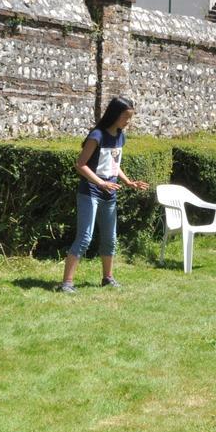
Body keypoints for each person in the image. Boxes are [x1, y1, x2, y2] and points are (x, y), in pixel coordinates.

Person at [57, 97, 148, 293]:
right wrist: (100, 183)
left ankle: (107, 278)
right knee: (85, 237)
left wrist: (128, 182)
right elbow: (80, 164)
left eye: (130, 117)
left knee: (110, 238)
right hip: (90, 192)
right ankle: (66, 283)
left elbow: (114, 165)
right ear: (115, 114)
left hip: (109, 192)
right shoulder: (97, 135)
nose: (128, 121)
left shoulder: (120, 136)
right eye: (126, 117)